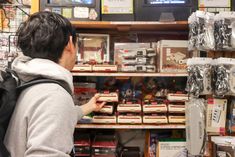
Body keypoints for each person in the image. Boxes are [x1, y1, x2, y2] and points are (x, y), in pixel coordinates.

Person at [4, 11, 105, 157]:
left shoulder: (30, 80)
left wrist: (87, 108)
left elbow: (45, 115)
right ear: (70, 43)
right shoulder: (53, 95)